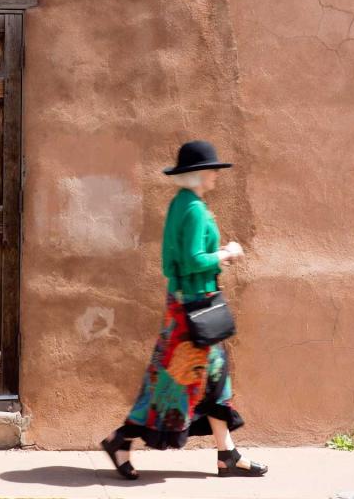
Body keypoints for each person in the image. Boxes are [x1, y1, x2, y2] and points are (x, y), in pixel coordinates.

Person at [100, 140, 268, 479]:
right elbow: (192, 261)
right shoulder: (191, 208)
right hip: (194, 311)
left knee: (216, 380)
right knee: (172, 384)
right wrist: (226, 253)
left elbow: (172, 263)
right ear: (198, 174)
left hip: (192, 307)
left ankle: (227, 454)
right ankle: (121, 439)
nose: (216, 176)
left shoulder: (184, 204)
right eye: (211, 171)